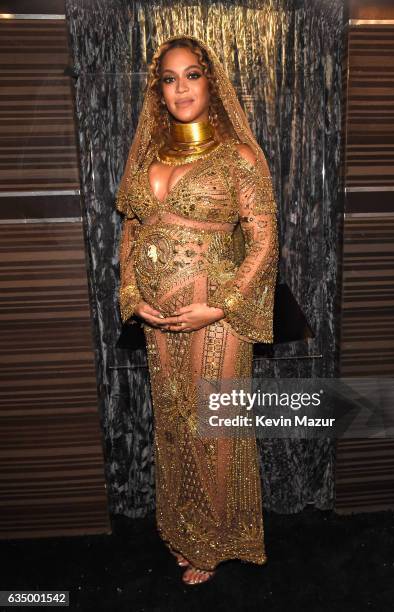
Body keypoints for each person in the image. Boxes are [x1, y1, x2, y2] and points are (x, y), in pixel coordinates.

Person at [115, 33, 279, 585]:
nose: (180, 87)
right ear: (157, 91)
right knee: (174, 427)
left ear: (210, 81)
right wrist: (133, 297)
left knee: (217, 427)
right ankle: (185, 531)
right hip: (159, 319)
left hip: (217, 316)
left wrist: (222, 307)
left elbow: (264, 241)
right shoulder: (147, 158)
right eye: (169, 78)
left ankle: (217, 541)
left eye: (191, 75)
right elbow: (131, 236)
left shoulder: (239, 156)